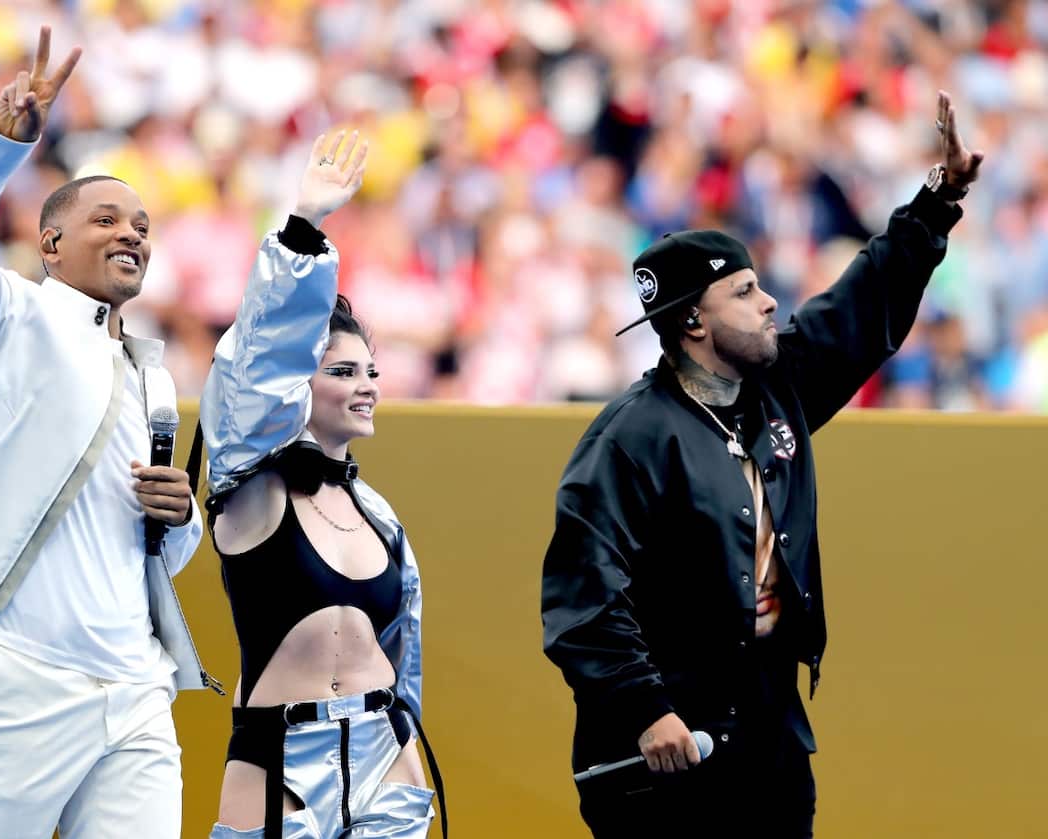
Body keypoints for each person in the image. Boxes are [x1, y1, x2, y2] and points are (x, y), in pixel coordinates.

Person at [541, 91, 983, 838]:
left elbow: (859, 307)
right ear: (692, 320)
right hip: (669, 753)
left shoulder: (775, 386)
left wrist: (936, 201)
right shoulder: (628, 438)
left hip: (773, 730)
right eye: (745, 291)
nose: (771, 301)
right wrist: (645, 709)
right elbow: (582, 599)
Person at [0, 26, 216, 839]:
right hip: (13, 678)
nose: (132, 233)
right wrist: (2, 142)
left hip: (136, 689)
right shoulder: (6, 314)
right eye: (107, 218)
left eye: (142, 224)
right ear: (49, 245)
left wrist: (183, 516)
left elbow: (154, 555)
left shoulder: (154, 373)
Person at [194, 131, 444, 839]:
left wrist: (408, 750)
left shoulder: (379, 515)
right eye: (342, 371)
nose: (365, 386)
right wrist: (303, 230)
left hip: (385, 762)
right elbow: (251, 378)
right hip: (280, 765)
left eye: (370, 371)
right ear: (299, 385)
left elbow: (405, 655)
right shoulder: (253, 484)